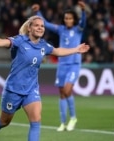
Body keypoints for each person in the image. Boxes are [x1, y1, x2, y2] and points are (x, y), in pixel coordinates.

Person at [0, 15, 89, 141]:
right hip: (13, 90)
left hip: (31, 90)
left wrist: (76, 49)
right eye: (37, 25)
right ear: (29, 28)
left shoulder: (43, 45)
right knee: (4, 121)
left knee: (36, 120)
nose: (40, 28)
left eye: (42, 26)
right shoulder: (20, 41)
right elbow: (1, 42)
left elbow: (58, 51)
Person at [32, 0, 86, 131]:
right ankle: (63, 122)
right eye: (66, 18)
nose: (68, 20)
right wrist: (37, 12)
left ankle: (73, 117)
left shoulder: (78, 29)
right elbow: (46, 24)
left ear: (74, 20)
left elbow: (84, 22)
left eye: (70, 18)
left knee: (67, 90)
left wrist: (84, 11)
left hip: (73, 64)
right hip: (62, 65)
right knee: (61, 93)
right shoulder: (61, 29)